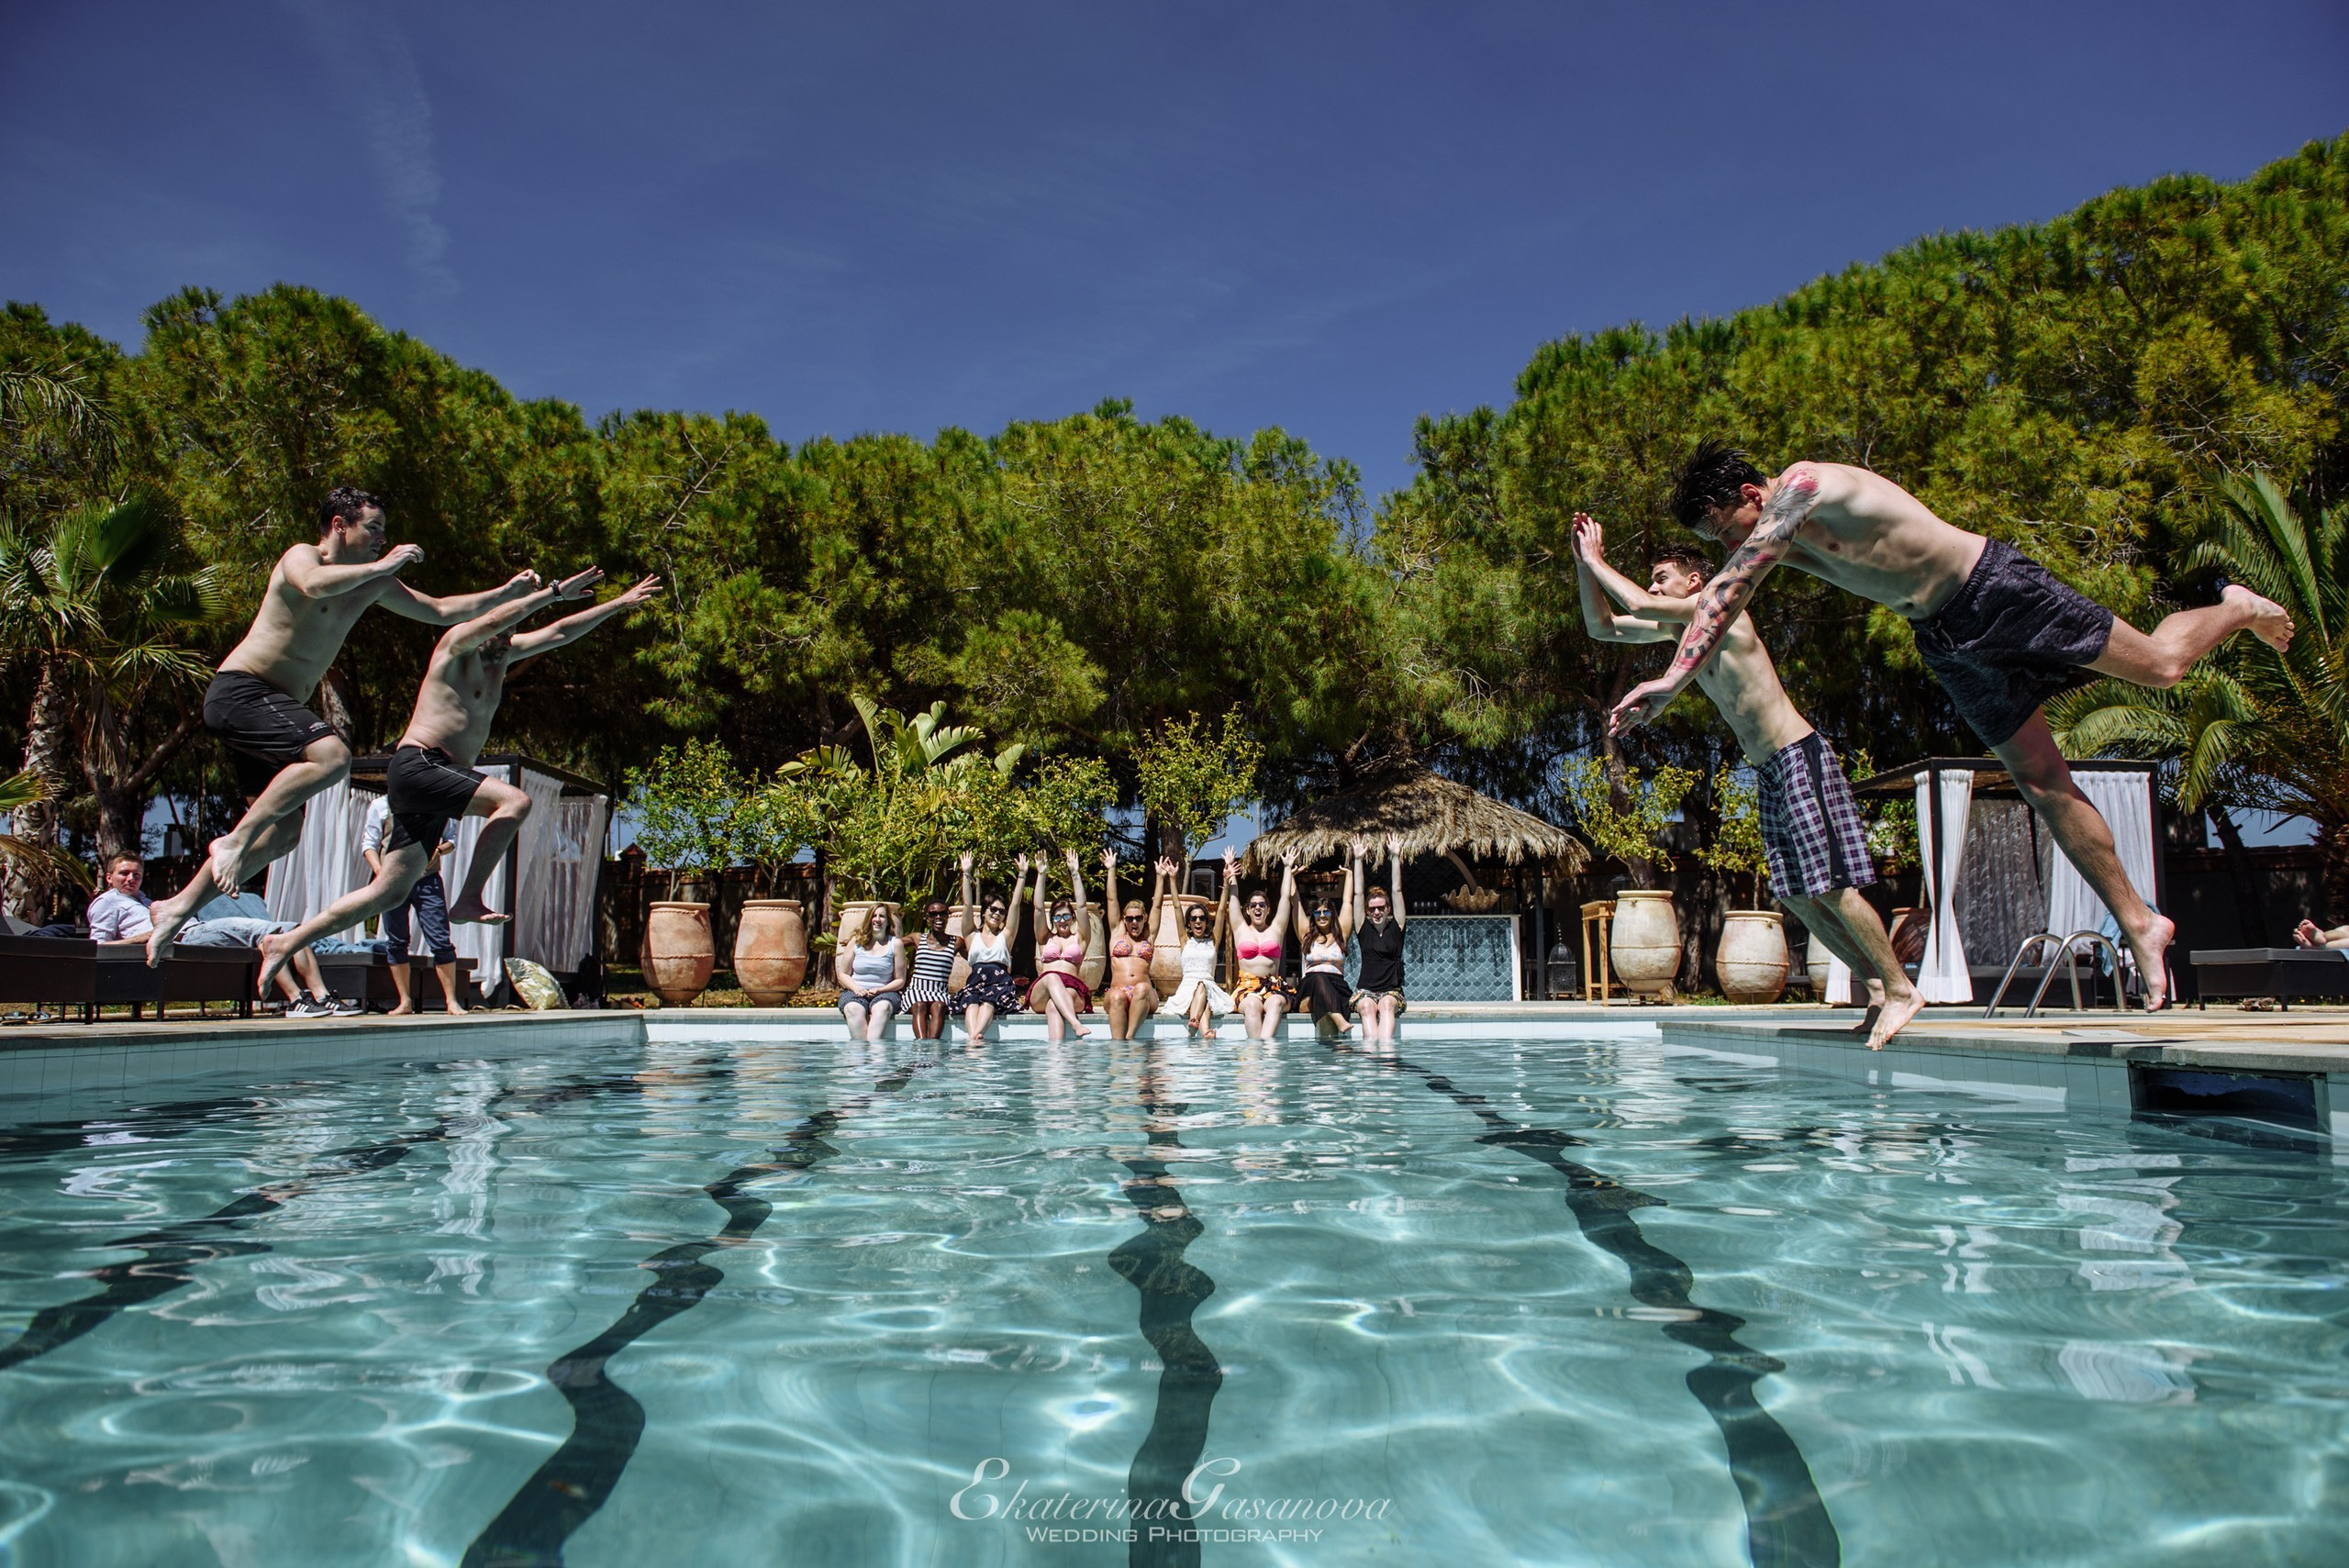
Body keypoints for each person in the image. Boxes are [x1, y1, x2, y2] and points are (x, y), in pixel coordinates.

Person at [1610, 444, 2297, 1010]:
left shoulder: (1804, 486)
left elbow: (1729, 587)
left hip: (1990, 589)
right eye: (1717, 540)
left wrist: (1671, 679)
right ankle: (2141, 922)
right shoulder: (1774, 541)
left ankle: (2234, 607)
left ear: (1748, 491)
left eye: (1725, 526)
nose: (1728, 542)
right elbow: (1715, 598)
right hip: (1942, 636)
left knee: (2164, 664)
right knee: (2041, 779)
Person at [146, 486, 541, 964]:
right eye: (373, 528)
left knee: (286, 832)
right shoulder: (302, 556)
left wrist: (506, 594)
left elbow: (439, 610)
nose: (380, 539)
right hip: (242, 691)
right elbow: (314, 585)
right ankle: (232, 841)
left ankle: (178, 906)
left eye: (383, 532)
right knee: (332, 756)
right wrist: (383, 567)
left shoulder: (372, 582)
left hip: (276, 708)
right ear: (339, 525)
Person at [1575, 514, 1925, 1047]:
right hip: (1767, 769)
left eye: (1661, 576)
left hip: (1798, 755)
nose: (1651, 587)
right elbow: (1603, 626)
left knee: (1832, 883)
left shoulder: (1725, 609)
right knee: (1801, 896)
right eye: (1650, 578)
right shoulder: (1683, 631)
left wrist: (1600, 562)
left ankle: (1902, 990)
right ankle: (1877, 985)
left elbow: (1638, 606)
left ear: (1694, 581)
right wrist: (1583, 566)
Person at [256, 569, 659, 995]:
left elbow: (559, 632)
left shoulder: (501, 653)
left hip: (433, 780)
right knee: (515, 802)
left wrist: (620, 603)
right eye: (501, 632)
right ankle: (468, 897)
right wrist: (553, 593)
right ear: (483, 626)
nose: (506, 643)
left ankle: (286, 942)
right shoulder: (454, 646)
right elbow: (495, 621)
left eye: (511, 636)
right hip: (420, 764)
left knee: (387, 894)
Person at [360, 794, 462, 1016]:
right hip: (393, 879)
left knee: (440, 938)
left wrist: (439, 850)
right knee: (396, 940)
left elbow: (451, 839)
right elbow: (369, 843)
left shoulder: (437, 803)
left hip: (428, 878)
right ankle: (404, 1001)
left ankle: (451, 1001)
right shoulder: (380, 805)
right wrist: (380, 872)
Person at [947, 851, 1026, 1042]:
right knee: (971, 1002)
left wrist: (1022, 876)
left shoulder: (1005, 936)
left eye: (1001, 911)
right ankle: (975, 1038)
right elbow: (967, 905)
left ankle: (973, 1039)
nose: (997, 913)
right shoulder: (971, 936)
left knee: (990, 1002)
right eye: (993, 909)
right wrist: (966, 874)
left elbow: (1015, 905)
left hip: (1000, 982)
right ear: (984, 912)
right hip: (976, 981)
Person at [1225, 847, 1297, 1040]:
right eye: (1253, 905)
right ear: (1247, 910)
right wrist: (1231, 871)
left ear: (1268, 910)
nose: (1258, 908)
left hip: (1273, 987)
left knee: (1275, 1003)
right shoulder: (1240, 929)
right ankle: (1256, 1051)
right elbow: (1233, 899)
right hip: (1247, 987)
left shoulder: (1276, 930)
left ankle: (1265, 1050)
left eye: (1262, 905)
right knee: (1251, 1005)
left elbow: (1284, 898)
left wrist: (1288, 867)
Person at [1157, 858, 1232, 1038]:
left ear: (1207, 922)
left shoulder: (1213, 940)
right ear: (1189, 923)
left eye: (1202, 918)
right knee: (1201, 993)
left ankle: (1195, 1024)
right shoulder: (1185, 940)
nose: (1198, 921)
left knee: (1203, 987)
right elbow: (1176, 907)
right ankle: (1204, 1031)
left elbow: (1221, 911)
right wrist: (1173, 880)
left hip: (1208, 985)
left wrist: (1225, 882)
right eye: (1193, 918)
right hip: (1187, 988)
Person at [1098, 849, 1168, 1040]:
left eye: (1138, 918)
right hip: (1117, 991)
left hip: (1144, 994)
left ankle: (1129, 1039)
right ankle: (1118, 1046)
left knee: (1143, 988)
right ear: (1124, 919)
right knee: (1116, 997)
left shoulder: (1149, 936)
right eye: (1130, 919)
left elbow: (1158, 905)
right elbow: (1112, 899)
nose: (1134, 922)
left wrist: (1161, 878)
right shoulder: (1117, 933)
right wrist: (1111, 869)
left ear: (1145, 918)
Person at [1028, 849, 1094, 1042]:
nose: (1062, 920)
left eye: (1066, 916)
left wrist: (1075, 873)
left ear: (1072, 918)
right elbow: (1038, 908)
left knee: (1053, 1007)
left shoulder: (1080, 938)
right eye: (1057, 917)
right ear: (1053, 920)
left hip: (1072, 991)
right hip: (1043, 990)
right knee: (1052, 977)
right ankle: (1075, 1024)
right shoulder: (1045, 938)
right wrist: (1041, 874)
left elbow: (1082, 906)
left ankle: (1057, 1058)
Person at [1351, 835, 1408, 1045]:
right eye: (1372, 909)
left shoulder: (1397, 928)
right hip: (1365, 991)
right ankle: (1370, 1056)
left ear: (1388, 909)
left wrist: (1395, 856)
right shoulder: (1363, 930)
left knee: (1385, 1005)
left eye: (1381, 908)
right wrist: (1358, 860)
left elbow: (1397, 890)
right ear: (1367, 911)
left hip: (1392, 991)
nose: (1376, 912)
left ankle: (1386, 1054)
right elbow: (1357, 894)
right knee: (1366, 1007)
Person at [1295, 852, 1358, 1037]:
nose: (1322, 916)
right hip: (1311, 984)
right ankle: (1338, 1017)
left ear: (1333, 915)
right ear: (1313, 917)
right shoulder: (1307, 936)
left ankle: (1333, 1014)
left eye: (1327, 912)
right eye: (1318, 913)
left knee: (1325, 985)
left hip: (1337, 985)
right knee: (1318, 976)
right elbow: (1295, 902)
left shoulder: (1341, 936)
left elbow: (1348, 902)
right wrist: (1291, 877)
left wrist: (1350, 875)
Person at [837, 904, 906, 1040]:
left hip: (886, 992)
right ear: (869, 919)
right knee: (852, 1009)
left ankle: (875, 1053)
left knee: (883, 1008)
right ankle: (860, 1053)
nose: (877, 919)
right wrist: (856, 989)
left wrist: (880, 990)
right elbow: (843, 974)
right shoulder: (856, 942)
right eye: (874, 916)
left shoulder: (895, 944)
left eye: (882, 916)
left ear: (888, 921)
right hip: (855, 992)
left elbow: (900, 980)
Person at [902, 897, 961, 1041]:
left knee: (940, 1006)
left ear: (948, 916)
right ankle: (922, 1048)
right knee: (919, 1005)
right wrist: (860, 942)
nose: (938, 917)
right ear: (927, 918)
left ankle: (934, 1049)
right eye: (933, 914)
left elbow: (976, 955)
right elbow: (890, 945)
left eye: (942, 913)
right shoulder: (917, 938)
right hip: (916, 991)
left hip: (939, 992)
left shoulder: (956, 941)